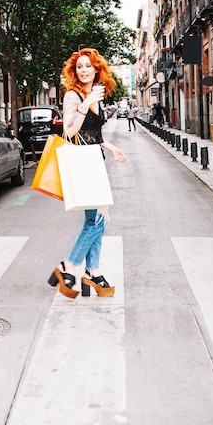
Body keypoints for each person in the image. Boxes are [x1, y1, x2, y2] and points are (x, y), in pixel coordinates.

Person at [48, 48, 126, 299]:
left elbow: (94, 136)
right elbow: (70, 132)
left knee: (96, 220)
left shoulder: (95, 96)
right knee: (99, 219)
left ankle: (91, 272)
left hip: (94, 159)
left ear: (96, 69)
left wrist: (112, 148)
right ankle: (68, 266)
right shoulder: (73, 96)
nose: (83, 70)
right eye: (79, 66)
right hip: (82, 163)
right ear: (75, 71)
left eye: (87, 66)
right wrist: (87, 103)